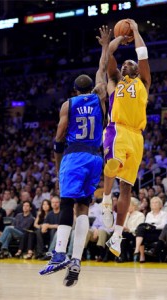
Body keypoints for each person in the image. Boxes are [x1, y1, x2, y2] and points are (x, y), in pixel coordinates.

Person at [39, 26, 111, 287]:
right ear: (91, 87)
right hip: (95, 158)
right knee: (83, 207)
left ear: (73, 89)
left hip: (75, 156)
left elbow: (59, 136)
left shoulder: (68, 104)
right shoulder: (99, 97)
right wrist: (105, 45)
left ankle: (59, 253)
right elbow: (102, 69)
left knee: (67, 202)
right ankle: (76, 260)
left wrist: (59, 160)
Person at [101, 19, 151, 257]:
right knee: (113, 163)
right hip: (118, 130)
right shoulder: (115, 81)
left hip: (137, 136)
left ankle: (117, 236)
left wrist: (137, 32)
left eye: (130, 63)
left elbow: (142, 54)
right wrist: (121, 37)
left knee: (128, 188)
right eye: (124, 63)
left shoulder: (144, 82)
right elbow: (110, 53)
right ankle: (106, 202)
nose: (126, 64)